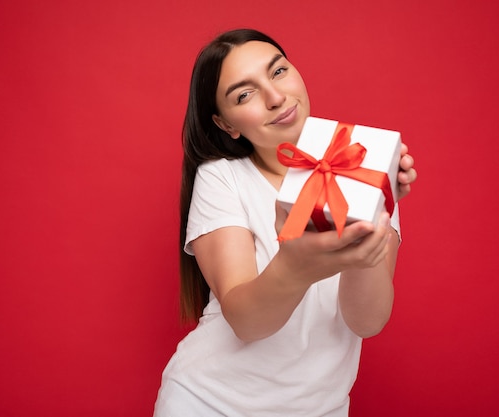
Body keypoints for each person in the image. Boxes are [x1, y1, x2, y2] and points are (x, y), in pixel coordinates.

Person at [154, 28, 417, 416]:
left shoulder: (362, 168)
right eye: (245, 94)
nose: (276, 98)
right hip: (209, 403)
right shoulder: (222, 177)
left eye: (278, 72)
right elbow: (247, 322)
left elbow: (366, 321)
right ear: (227, 124)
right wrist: (296, 266)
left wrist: (374, 216)